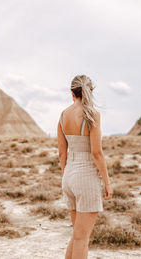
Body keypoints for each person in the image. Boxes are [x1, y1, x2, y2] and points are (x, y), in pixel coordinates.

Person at [57, 75, 113, 259]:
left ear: (72, 93)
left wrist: (68, 176)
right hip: (86, 177)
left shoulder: (63, 115)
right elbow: (97, 153)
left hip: (69, 176)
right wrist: (107, 183)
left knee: (77, 235)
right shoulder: (92, 115)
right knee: (82, 239)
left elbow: (62, 154)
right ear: (90, 91)